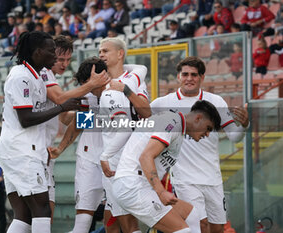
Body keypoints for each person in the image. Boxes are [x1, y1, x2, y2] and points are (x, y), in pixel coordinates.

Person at [49, 38, 150, 233]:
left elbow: (145, 115)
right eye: (100, 51)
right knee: (87, 222)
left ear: (119, 54)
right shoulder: (90, 90)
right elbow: (74, 120)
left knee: (122, 219)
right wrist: (62, 107)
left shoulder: (131, 81)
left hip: (120, 160)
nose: (102, 54)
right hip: (90, 157)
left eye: (106, 50)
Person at [0, 31, 82, 233]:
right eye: (54, 53)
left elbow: (66, 118)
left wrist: (90, 113)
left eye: (67, 59)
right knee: (43, 209)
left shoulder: (36, 75)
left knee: (24, 215)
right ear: (38, 52)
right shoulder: (23, 76)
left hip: (32, 150)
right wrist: (90, 87)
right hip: (24, 151)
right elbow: (27, 118)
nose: (59, 60)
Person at [150, 56, 249, 233]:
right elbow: (137, 119)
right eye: (185, 74)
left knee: (217, 229)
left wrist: (244, 126)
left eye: (194, 75)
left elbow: (235, 137)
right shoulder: (162, 103)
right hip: (184, 180)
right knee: (198, 226)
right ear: (178, 76)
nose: (189, 78)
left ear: (202, 77)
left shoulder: (216, 102)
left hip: (213, 178)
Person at [112, 100, 222, 233]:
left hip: (133, 184)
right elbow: (145, 157)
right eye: (208, 128)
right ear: (198, 118)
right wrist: (161, 192)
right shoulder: (172, 123)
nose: (208, 134)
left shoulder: (176, 127)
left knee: (192, 215)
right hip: (133, 185)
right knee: (183, 231)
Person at [40, 35, 109, 223]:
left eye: (68, 60)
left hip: (114, 159)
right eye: (60, 59)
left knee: (44, 215)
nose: (64, 64)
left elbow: (68, 117)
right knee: (40, 216)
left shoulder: (122, 86)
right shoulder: (43, 74)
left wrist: (83, 112)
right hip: (35, 151)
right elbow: (67, 113)